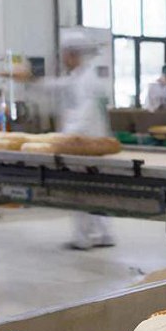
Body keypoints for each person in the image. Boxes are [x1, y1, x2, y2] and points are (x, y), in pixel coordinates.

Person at [44, 27, 115, 249]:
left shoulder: (87, 80)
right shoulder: (80, 76)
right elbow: (59, 85)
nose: (63, 58)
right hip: (89, 142)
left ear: (73, 54)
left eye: (65, 54)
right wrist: (32, 81)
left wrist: (66, 138)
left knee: (80, 191)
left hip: (84, 144)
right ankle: (103, 234)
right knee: (94, 191)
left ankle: (83, 238)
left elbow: (86, 114)